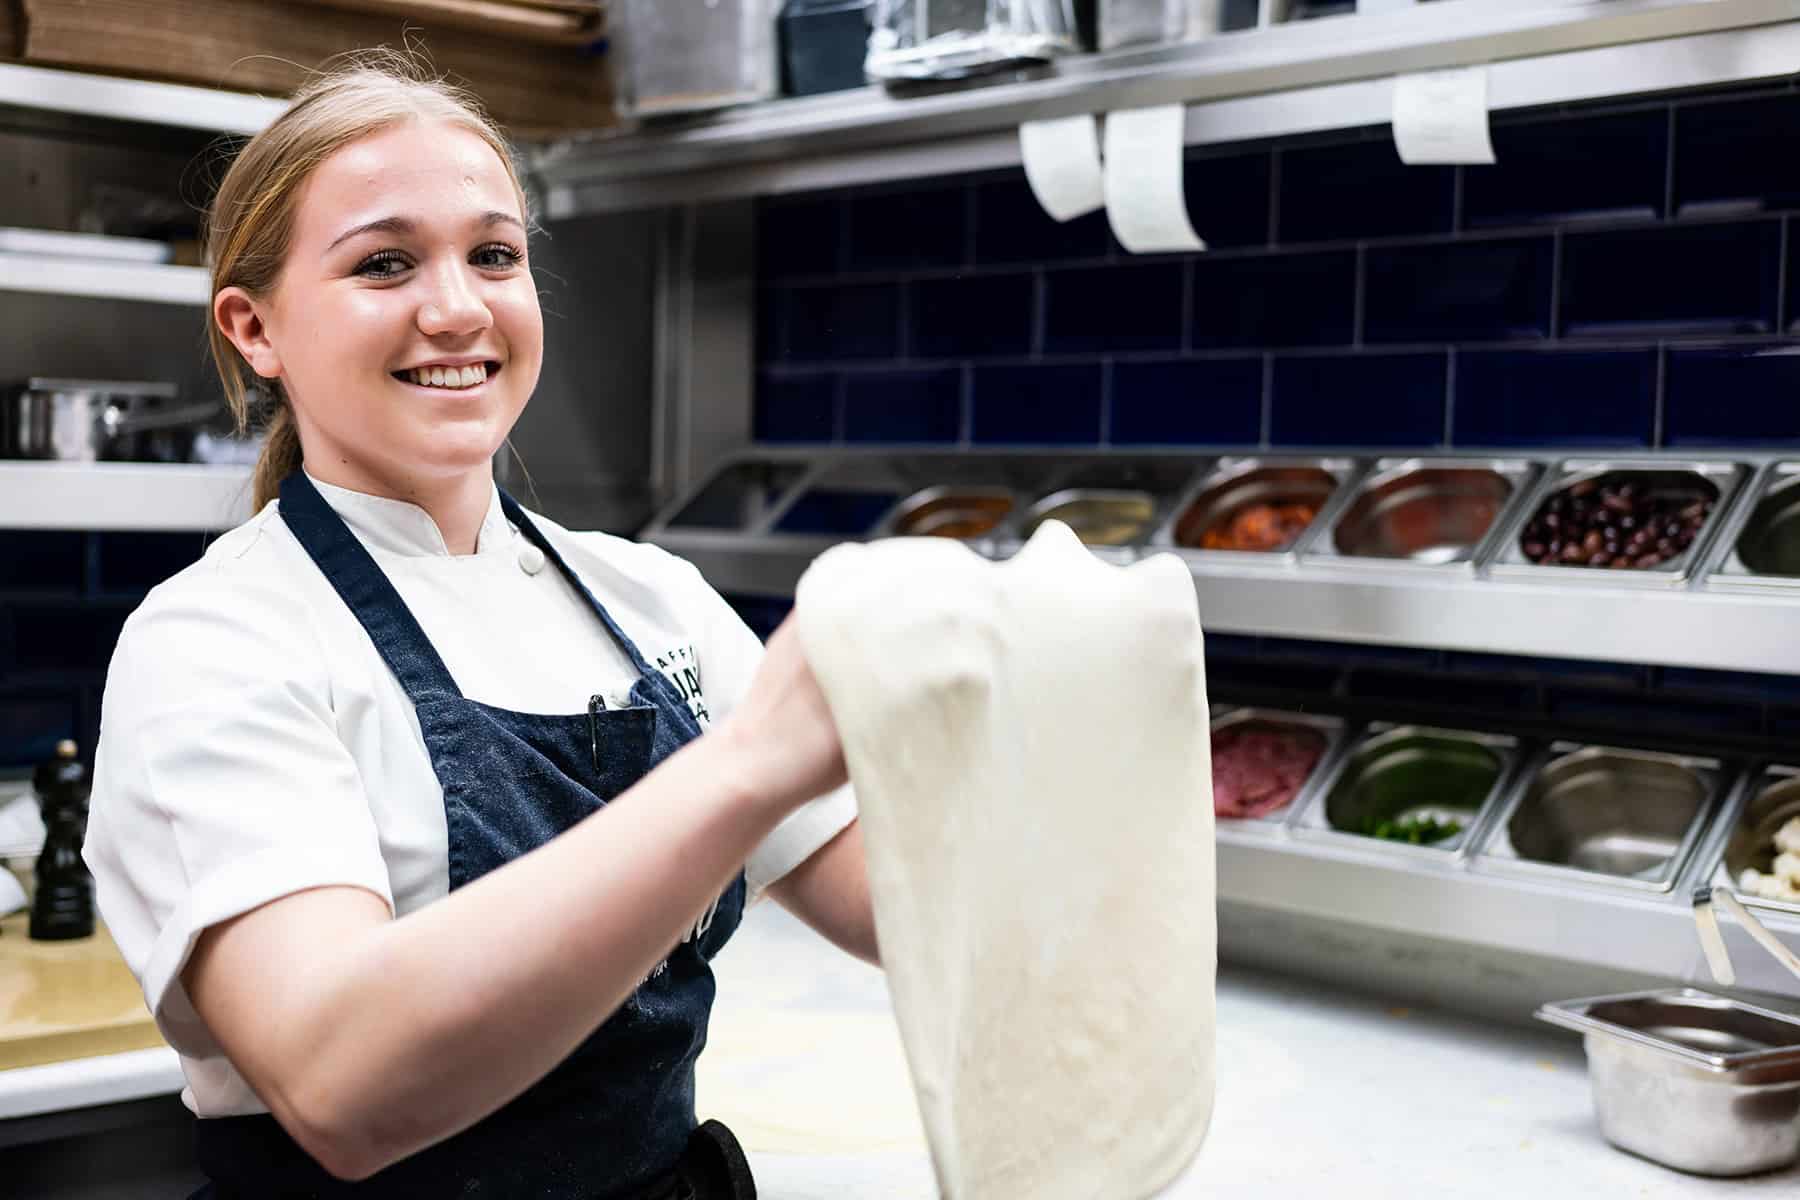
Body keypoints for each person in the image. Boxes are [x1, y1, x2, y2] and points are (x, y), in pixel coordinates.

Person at [83, 53, 872, 1199]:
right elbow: (342, 1085)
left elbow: (894, 906)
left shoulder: (652, 603)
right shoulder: (216, 641)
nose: (456, 308)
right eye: (385, 262)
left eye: (493, 254)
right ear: (256, 330)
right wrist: (742, 774)